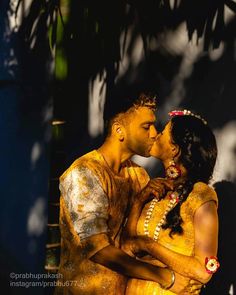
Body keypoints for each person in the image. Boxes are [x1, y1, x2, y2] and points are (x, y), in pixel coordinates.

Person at [54, 95, 200, 295]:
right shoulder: (83, 173)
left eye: (154, 126)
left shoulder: (138, 175)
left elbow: (136, 240)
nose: (154, 134)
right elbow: (99, 251)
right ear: (119, 130)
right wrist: (165, 276)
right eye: (146, 126)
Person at [122, 110, 220, 295]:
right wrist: (138, 202)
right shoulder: (153, 190)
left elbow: (203, 271)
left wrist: (148, 246)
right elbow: (126, 249)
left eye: (163, 133)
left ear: (174, 149)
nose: (155, 135)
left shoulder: (200, 196)